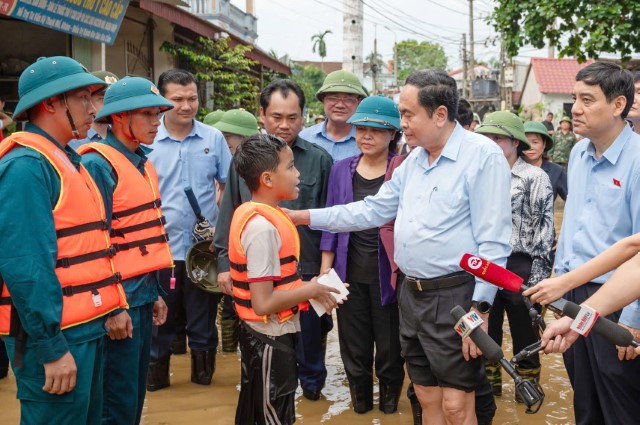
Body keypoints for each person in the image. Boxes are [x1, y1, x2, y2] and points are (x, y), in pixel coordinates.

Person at [286, 70, 512, 424]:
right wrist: (303, 217)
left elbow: (495, 243)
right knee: (425, 395)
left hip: (456, 296)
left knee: (457, 402)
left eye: (408, 114)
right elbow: (373, 209)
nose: (401, 123)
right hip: (412, 294)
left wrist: (480, 310)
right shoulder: (413, 161)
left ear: (439, 114)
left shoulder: (482, 156)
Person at [0, 56, 128, 424]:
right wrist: (51, 347)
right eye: (83, 99)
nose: (94, 109)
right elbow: (26, 265)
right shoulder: (26, 167)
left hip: (84, 329)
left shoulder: (68, 159)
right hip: (54, 337)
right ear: (51, 103)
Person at [522, 61, 640, 425]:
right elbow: (572, 225)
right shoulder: (578, 153)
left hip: (618, 299)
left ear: (618, 105)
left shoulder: (637, 159)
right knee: (584, 401)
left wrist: (633, 323)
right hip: (572, 294)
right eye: (574, 98)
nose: (575, 109)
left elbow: (637, 249)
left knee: (621, 403)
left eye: (587, 100)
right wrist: (561, 295)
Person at [213, 79, 334, 401]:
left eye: (292, 117)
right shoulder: (247, 161)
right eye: (276, 116)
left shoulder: (320, 160)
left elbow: (331, 221)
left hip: (306, 270)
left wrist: (323, 273)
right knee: (270, 364)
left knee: (308, 349)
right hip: (261, 275)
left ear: (303, 117)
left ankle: (311, 394)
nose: (284, 124)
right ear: (262, 115)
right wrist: (224, 265)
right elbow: (229, 216)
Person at [77, 77, 173, 424]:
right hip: (118, 300)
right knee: (114, 400)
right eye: (147, 114)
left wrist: (156, 293)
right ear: (118, 117)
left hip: (142, 294)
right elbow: (94, 244)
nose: (155, 123)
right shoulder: (97, 165)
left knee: (133, 396)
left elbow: (143, 246)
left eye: (157, 114)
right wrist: (111, 308)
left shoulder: (142, 163)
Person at [229, 133, 339, 425]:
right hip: (268, 338)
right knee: (274, 414)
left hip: (268, 336)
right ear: (267, 179)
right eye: (290, 167)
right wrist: (311, 288)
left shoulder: (263, 215)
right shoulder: (262, 228)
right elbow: (263, 302)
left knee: (260, 410)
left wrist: (311, 290)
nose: (298, 173)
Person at [146, 69, 232, 391]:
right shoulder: (147, 141)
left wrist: (219, 234)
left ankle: (203, 381)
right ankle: (156, 383)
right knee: (159, 324)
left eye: (192, 98)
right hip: (159, 251)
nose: (186, 106)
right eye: (177, 99)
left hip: (202, 252)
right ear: (161, 99)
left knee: (203, 323)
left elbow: (228, 188)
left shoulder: (213, 139)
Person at [319, 96, 405, 414]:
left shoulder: (402, 169)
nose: (366, 136)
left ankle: (389, 407)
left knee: (390, 347)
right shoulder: (341, 169)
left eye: (376, 130)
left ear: (393, 134)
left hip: (389, 277)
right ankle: (360, 408)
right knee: (353, 347)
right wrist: (326, 276)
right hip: (349, 273)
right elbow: (331, 221)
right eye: (361, 129)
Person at [475, 112, 554, 399]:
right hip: (485, 266)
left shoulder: (535, 177)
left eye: (497, 138)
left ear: (514, 142)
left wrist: (538, 283)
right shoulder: (478, 174)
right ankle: (490, 394)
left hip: (521, 266)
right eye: (487, 137)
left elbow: (545, 232)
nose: (491, 143)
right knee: (486, 334)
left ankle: (528, 396)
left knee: (526, 337)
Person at [299, 69, 367, 161]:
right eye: (333, 98)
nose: (340, 105)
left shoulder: (367, 143)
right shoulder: (304, 138)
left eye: (348, 99)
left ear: (358, 101)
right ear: (323, 99)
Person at [68, 71, 119, 150]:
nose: (111, 104)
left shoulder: (123, 139)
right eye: (103, 99)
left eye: (115, 99)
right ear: (88, 100)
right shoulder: (72, 141)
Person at [523, 121, 568, 201]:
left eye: (535, 142)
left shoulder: (556, 171)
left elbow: (572, 200)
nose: (530, 147)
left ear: (544, 144)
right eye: (526, 142)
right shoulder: (511, 169)